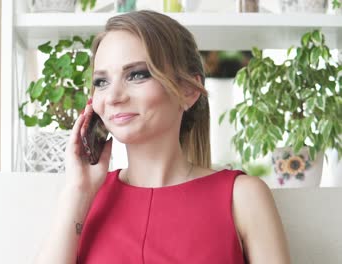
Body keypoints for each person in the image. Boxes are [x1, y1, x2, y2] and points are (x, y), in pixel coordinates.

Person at [34, 10, 291, 264]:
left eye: (136, 75)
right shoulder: (86, 198)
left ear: (188, 90)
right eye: (101, 82)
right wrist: (78, 193)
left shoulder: (242, 197)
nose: (113, 97)